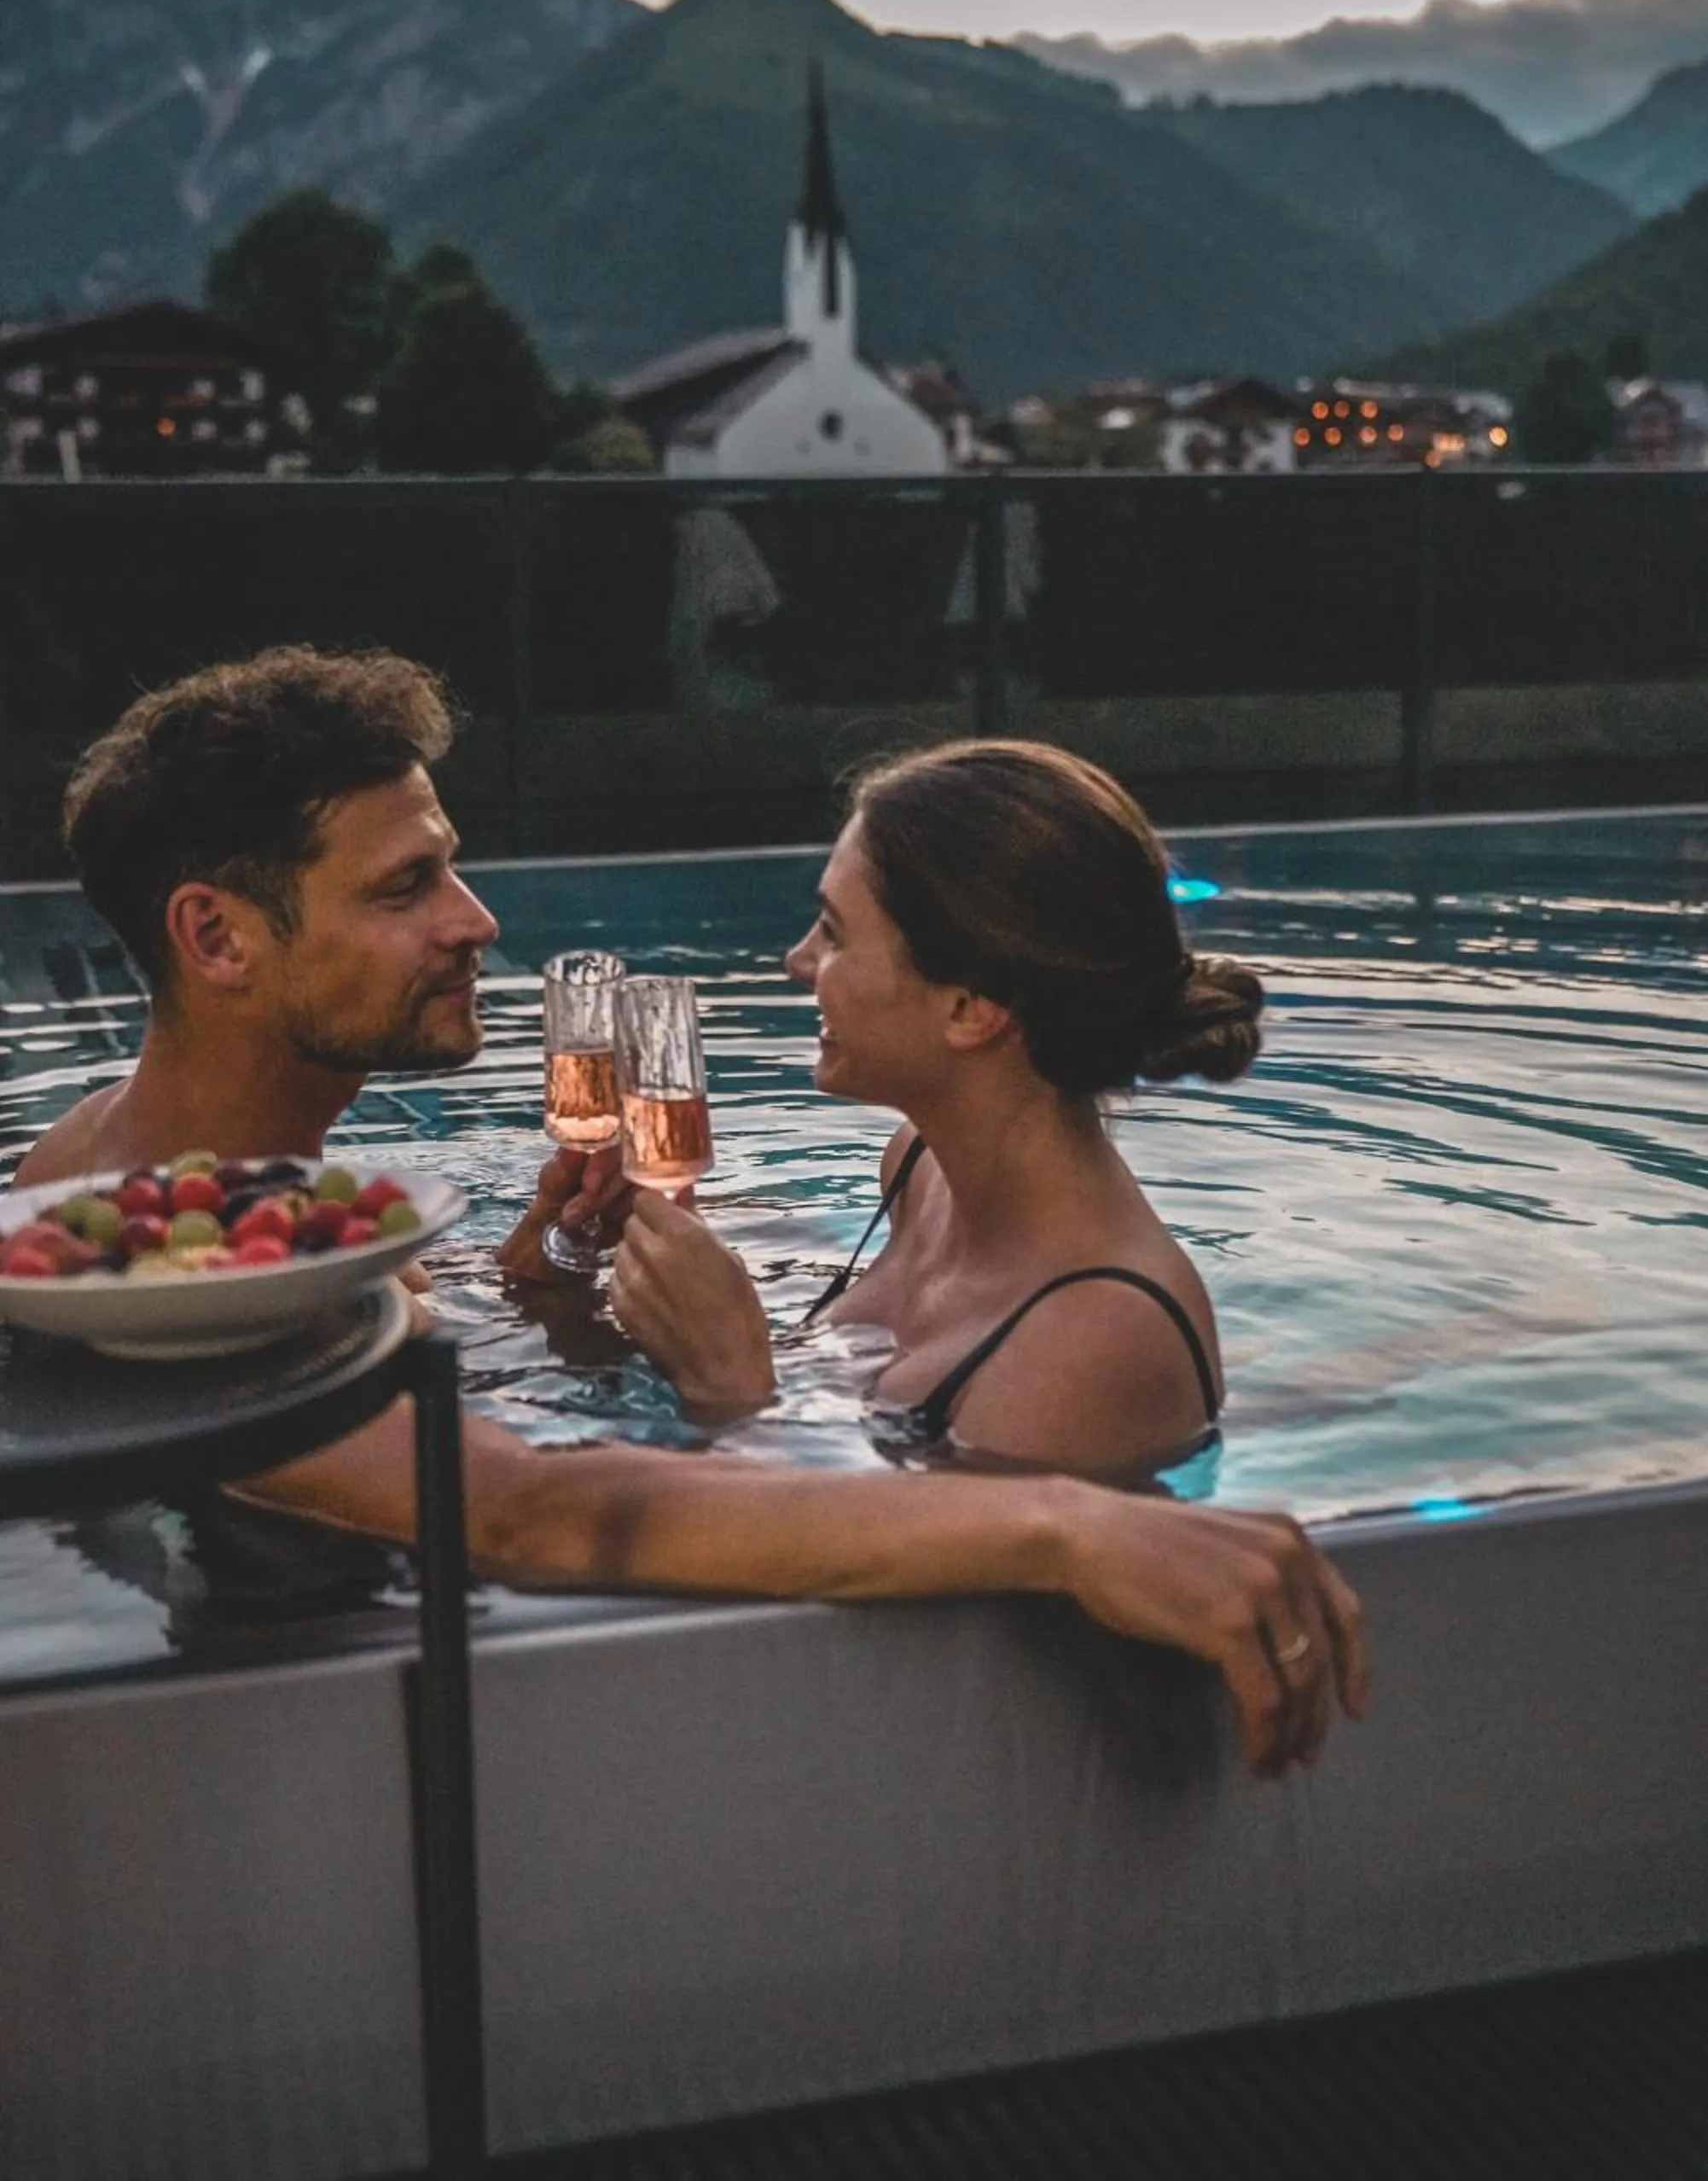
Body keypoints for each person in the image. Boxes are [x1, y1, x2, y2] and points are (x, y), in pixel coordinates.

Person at [11, 647, 1367, 1775]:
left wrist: (536, 1283)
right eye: (404, 886)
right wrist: (1070, 1525)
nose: (476, 920)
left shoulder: (219, 1205)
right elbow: (542, 1516)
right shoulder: (154, 1269)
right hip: (287, 1770)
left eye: (449, 865)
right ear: (217, 938)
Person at [553, 742, 1258, 1479]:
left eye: (833, 933)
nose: (796, 962)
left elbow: (905, 1583)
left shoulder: (1099, 1339)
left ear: (968, 1009)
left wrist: (733, 1389)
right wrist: (583, 1261)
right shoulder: (920, 1171)